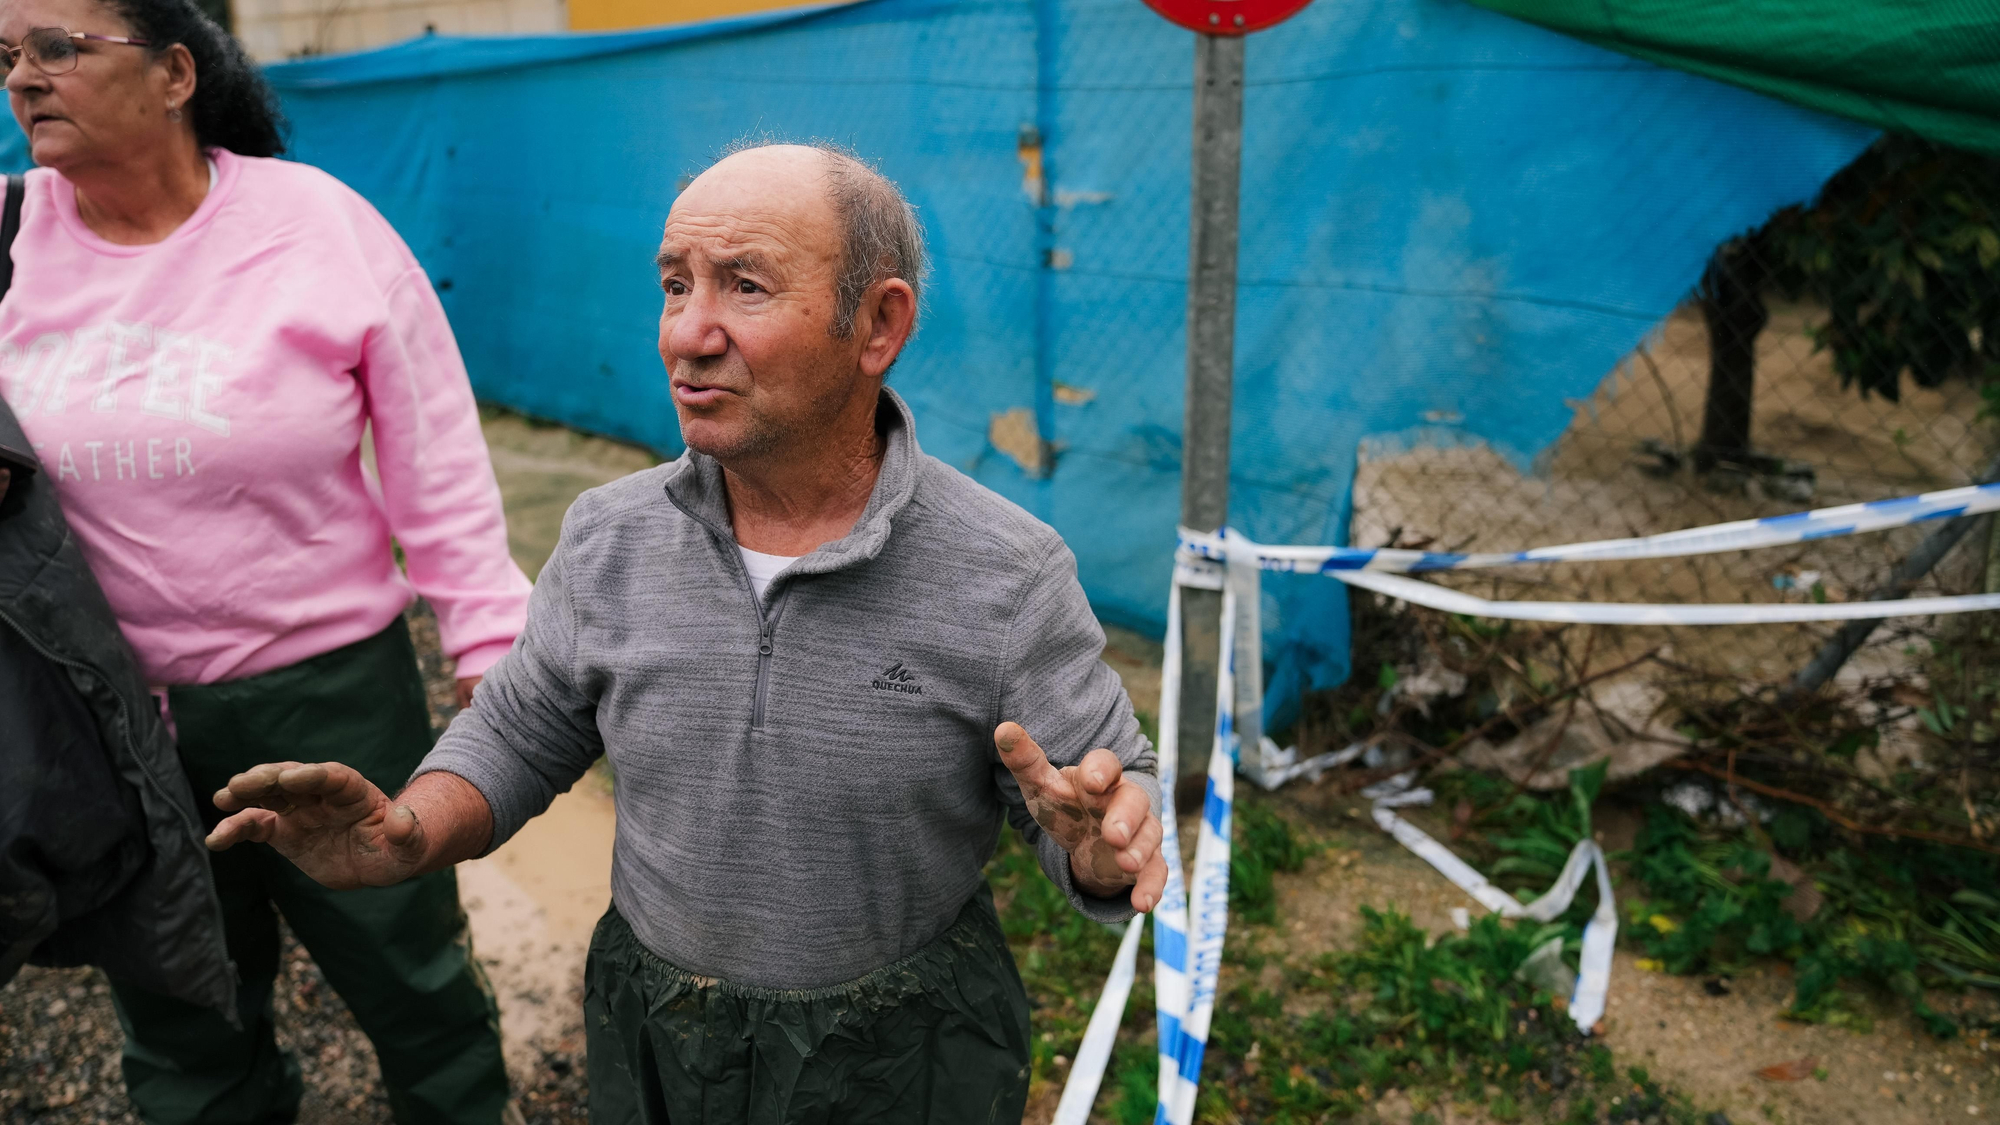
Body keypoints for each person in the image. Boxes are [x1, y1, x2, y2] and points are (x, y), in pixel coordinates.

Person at [208, 143, 1170, 1124]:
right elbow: (519, 731)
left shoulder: (1004, 573)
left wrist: (1104, 845)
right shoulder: (607, 537)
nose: (686, 333)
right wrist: (407, 833)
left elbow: (1102, 798)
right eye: (675, 286)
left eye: (744, 286)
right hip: (659, 1026)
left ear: (877, 324)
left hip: (904, 1052)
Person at [0, 0, 532, 1121]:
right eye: (5, 56)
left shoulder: (315, 226)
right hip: (106, 712)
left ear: (176, 71)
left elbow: (430, 445)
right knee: (180, 1011)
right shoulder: (7, 241)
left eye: (57, 47)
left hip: (328, 696)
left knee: (415, 983)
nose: (24, 78)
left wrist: (490, 637)